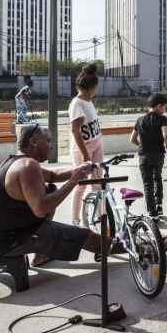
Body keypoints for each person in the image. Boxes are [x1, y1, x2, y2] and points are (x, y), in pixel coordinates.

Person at [0, 125, 167, 268]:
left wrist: (77, 170)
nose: (51, 146)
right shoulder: (28, 166)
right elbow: (41, 208)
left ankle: (41, 255)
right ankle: (144, 247)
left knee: (51, 187)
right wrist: (74, 181)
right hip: (8, 241)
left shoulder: (15, 162)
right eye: (49, 140)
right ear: (34, 142)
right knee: (88, 237)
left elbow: (53, 176)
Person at [68, 63, 103, 226]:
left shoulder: (88, 101)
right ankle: (75, 219)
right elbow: (75, 131)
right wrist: (86, 155)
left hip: (97, 144)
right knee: (81, 183)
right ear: (94, 87)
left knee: (97, 183)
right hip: (84, 148)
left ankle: (98, 217)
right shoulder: (77, 103)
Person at [130, 94, 167, 222]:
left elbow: (132, 140)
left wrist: (142, 146)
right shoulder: (162, 119)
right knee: (158, 178)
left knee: (148, 185)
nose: (165, 110)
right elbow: (166, 135)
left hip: (145, 156)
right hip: (158, 155)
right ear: (159, 106)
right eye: (164, 107)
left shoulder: (140, 120)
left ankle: (153, 215)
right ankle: (159, 204)